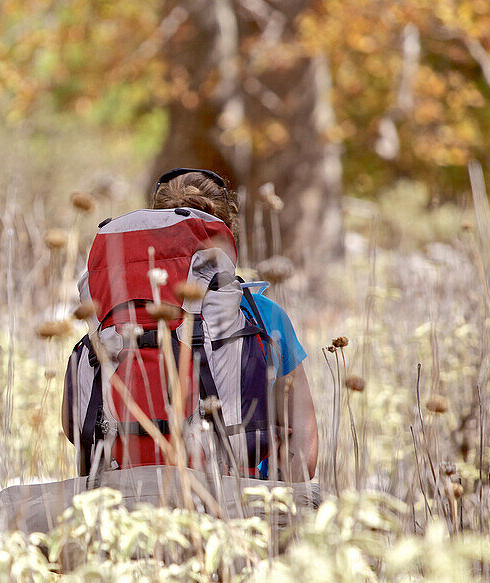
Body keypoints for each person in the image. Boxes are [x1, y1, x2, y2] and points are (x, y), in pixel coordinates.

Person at [61, 169, 318, 481]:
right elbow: (306, 451)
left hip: (123, 503)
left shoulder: (112, 316)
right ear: (229, 233)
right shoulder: (262, 315)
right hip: (233, 502)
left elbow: (72, 425)